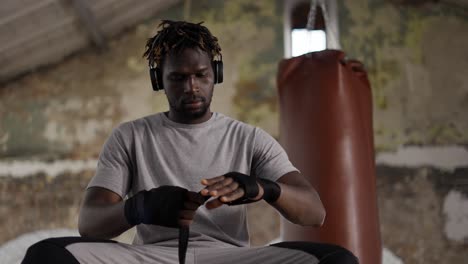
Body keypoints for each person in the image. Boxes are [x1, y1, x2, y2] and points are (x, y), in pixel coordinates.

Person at [22, 20, 358, 264]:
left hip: (230, 257)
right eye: (178, 78)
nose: (192, 87)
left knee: (337, 259)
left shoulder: (249, 138)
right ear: (159, 81)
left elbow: (314, 212)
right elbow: (89, 224)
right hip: (150, 257)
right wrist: (140, 207)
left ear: (216, 75)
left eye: (201, 75)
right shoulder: (131, 136)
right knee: (45, 255)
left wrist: (261, 188)